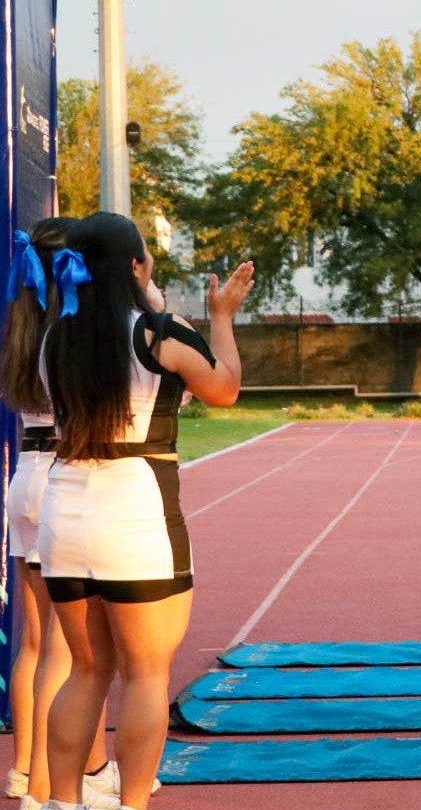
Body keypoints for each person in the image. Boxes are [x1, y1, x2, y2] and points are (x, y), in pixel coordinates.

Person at [38, 212, 251, 810]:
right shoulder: (158, 332)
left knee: (85, 671)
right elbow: (225, 389)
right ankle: (131, 803)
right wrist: (221, 319)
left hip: (66, 509)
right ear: (136, 265)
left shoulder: (57, 336)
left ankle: (60, 802)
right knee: (146, 674)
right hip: (136, 512)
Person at [0, 218, 122, 810]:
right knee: (67, 651)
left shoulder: (20, 324)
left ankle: (24, 772)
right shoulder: (68, 331)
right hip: (56, 475)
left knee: (32, 642)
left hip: (23, 475)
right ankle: (48, 789)